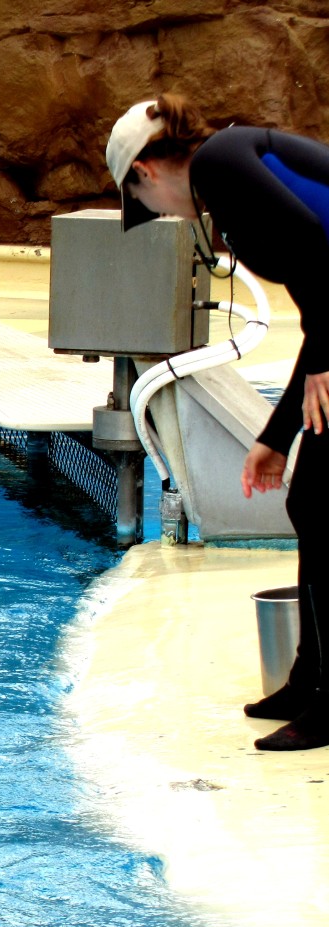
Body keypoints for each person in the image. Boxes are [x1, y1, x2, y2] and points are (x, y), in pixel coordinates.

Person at [105, 94, 329, 751]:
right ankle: (309, 679)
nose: (149, 215)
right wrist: (274, 438)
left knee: (323, 500)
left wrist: (326, 360)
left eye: (136, 202)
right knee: (311, 498)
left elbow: (321, 251)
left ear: (145, 172)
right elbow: (317, 299)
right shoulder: (229, 190)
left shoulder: (222, 162)